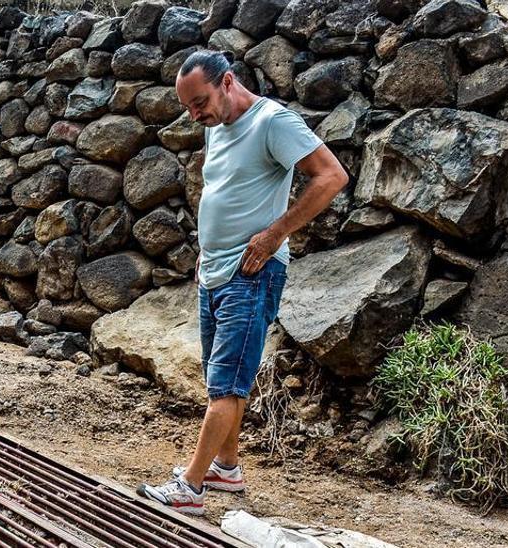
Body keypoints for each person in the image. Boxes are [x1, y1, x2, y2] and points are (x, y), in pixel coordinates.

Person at [136, 50, 349, 516]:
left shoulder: (273, 121)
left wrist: (275, 234)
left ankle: (191, 488)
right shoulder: (218, 127)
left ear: (228, 81)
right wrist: (206, 255)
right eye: (188, 107)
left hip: (251, 273)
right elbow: (228, 193)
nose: (195, 115)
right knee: (222, 378)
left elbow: (332, 176)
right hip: (215, 272)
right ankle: (226, 468)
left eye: (200, 102)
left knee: (226, 385)